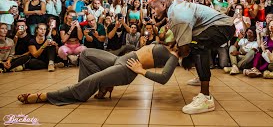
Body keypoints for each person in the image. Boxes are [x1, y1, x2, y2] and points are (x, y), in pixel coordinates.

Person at [148, 0, 235, 114]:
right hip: (215, 27)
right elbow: (180, 39)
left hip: (223, 27)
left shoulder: (177, 15)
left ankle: (206, 98)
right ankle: (201, 76)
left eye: (153, 8)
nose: (152, 12)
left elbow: (184, 49)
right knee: (194, 44)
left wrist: (178, 57)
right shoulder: (175, 8)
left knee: (197, 46)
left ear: (163, 4)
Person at [17, 44, 179, 105]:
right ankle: (96, 86)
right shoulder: (169, 43)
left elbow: (164, 78)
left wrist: (141, 71)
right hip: (119, 59)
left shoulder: (174, 57)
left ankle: (46, 96)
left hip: (127, 69)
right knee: (86, 54)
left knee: (89, 81)